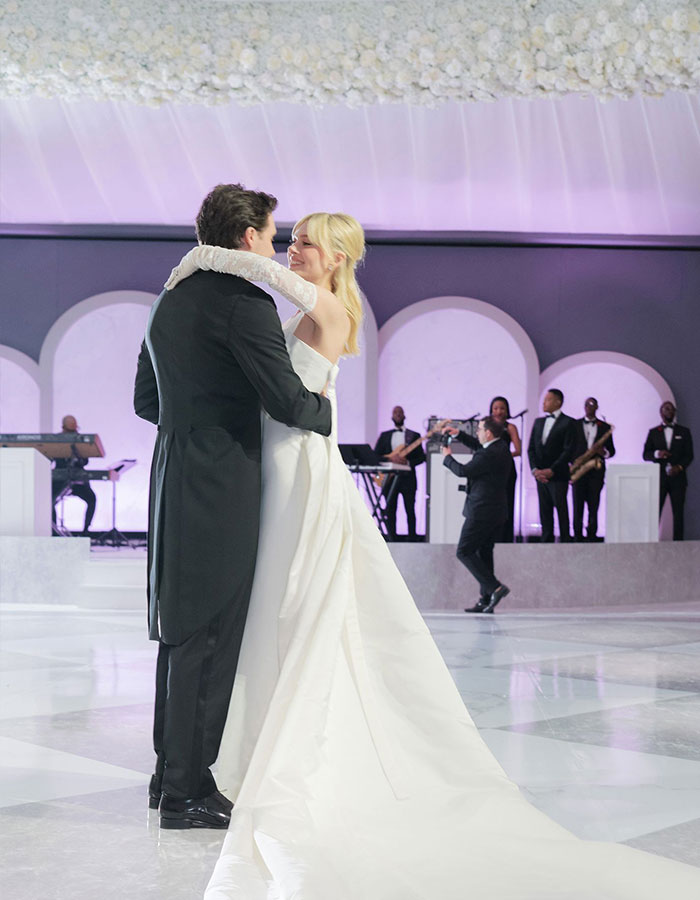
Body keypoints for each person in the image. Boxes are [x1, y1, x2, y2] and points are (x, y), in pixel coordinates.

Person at [166, 220, 700, 900]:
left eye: (304, 240)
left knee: (294, 600)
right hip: (279, 464)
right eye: (290, 237)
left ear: (334, 258)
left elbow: (271, 281)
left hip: (299, 468)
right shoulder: (307, 309)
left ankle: (286, 747)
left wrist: (207, 256)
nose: (290, 248)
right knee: (276, 603)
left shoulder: (327, 306)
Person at [133, 184, 332, 830]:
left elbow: (145, 399)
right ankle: (188, 793)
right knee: (212, 635)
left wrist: (195, 421)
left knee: (180, 633)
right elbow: (284, 398)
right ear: (248, 240)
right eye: (273, 237)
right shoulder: (243, 302)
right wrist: (327, 410)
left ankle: (170, 776)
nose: (276, 248)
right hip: (220, 485)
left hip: (172, 476)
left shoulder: (173, 298)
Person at [442, 416, 511, 613]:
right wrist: (459, 435)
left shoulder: (489, 455)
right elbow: (479, 446)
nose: (477, 433)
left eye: (479, 429)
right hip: (495, 512)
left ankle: (495, 588)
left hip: (482, 511)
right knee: (483, 552)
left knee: (464, 551)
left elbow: (463, 471)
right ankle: (486, 599)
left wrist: (447, 457)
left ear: (488, 432)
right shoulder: (500, 447)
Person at [528, 388, 576, 542]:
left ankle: (565, 541)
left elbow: (568, 450)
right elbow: (531, 449)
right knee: (544, 511)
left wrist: (552, 470)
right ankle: (546, 542)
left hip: (558, 475)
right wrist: (535, 470)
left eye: (548, 399)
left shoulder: (569, 422)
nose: (544, 402)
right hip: (540, 475)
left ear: (558, 402)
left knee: (561, 509)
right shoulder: (538, 422)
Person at [643, 400, 694, 540]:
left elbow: (689, 455)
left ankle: (678, 544)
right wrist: (657, 454)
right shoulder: (653, 432)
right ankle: (652, 542)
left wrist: (679, 467)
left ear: (674, 413)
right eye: (666, 409)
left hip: (678, 479)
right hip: (659, 478)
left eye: (671, 409)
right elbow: (645, 454)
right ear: (661, 413)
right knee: (656, 511)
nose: (669, 412)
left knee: (678, 512)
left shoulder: (684, 432)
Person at [374, 405, 426, 540]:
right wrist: (390, 458)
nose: (397, 415)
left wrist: (407, 462)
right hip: (389, 478)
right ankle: (391, 538)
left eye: (400, 412)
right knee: (390, 510)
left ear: (404, 415)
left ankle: (412, 539)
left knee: (410, 509)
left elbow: (422, 457)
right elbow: (375, 455)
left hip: (408, 479)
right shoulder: (384, 436)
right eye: (395, 413)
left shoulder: (414, 436)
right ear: (392, 417)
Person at [571, 397, 615, 542]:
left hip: (596, 470)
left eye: (592, 405)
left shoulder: (605, 427)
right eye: (587, 405)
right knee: (577, 505)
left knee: (593, 505)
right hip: (578, 469)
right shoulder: (574, 424)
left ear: (597, 407)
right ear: (584, 407)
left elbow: (612, 451)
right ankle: (577, 535)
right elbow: (568, 447)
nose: (590, 407)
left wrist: (604, 452)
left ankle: (591, 534)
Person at [51, 414, 97, 535]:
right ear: (63, 427)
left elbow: (85, 461)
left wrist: (79, 456)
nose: (73, 432)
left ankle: (85, 532)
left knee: (92, 499)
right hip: (59, 479)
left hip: (77, 479)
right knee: (48, 501)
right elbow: (49, 458)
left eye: (74, 429)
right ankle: (54, 532)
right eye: (70, 430)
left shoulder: (80, 439)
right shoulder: (55, 440)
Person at [489, 396, 521, 542]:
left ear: (507, 410)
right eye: (495, 408)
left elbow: (518, 450)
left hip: (507, 469)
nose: (499, 411)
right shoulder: (486, 427)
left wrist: (503, 455)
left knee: (507, 502)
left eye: (502, 408)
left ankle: (506, 537)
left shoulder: (510, 427)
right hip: (490, 470)